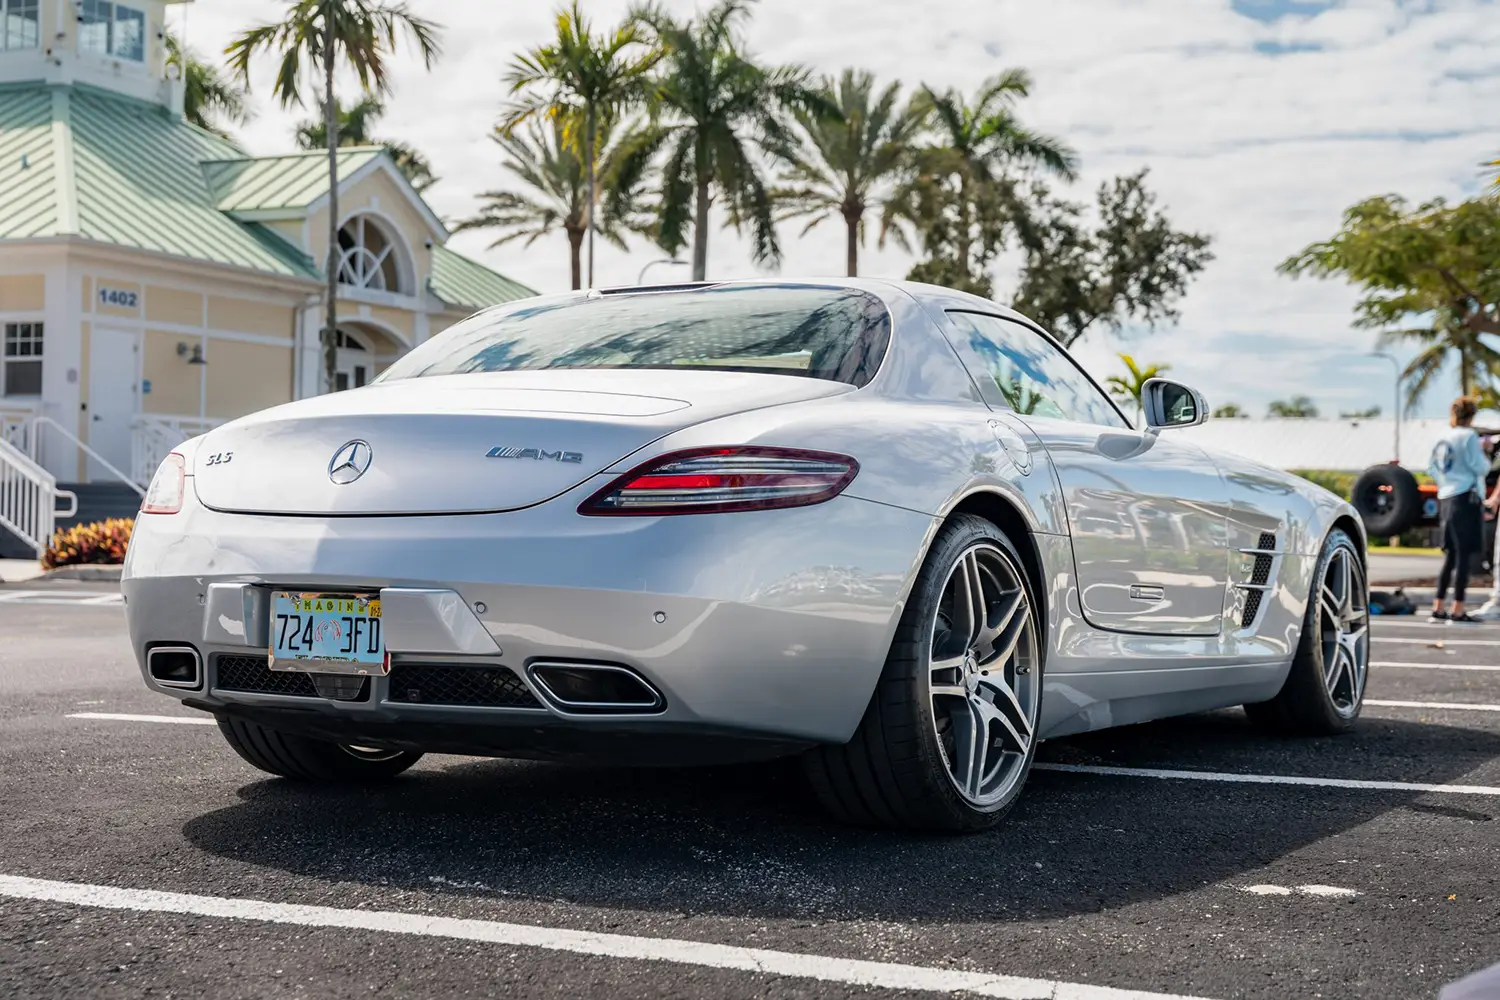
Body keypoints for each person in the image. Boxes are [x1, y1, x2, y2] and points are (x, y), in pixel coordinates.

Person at [1428, 396, 1489, 623]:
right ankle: (1458, 609)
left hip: (1446, 496)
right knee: (1465, 556)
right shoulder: (1469, 436)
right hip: (1466, 498)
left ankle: (1438, 606)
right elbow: (1480, 467)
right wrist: (1487, 451)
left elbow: (1431, 465)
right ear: (1471, 415)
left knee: (1451, 555)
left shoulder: (1443, 436)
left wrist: (1445, 482)